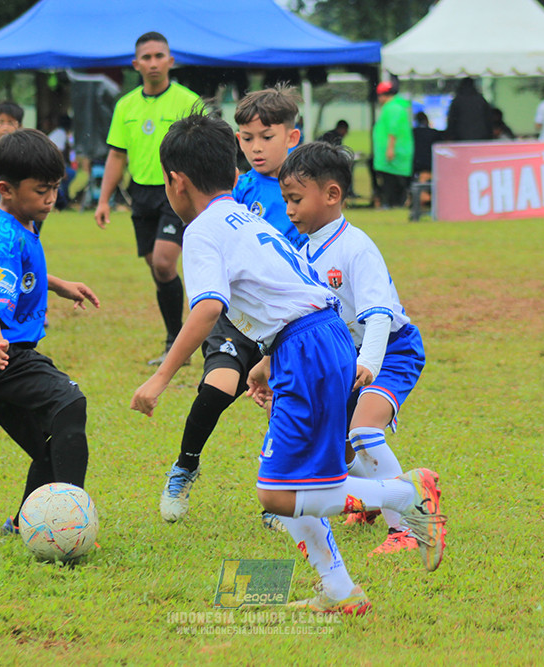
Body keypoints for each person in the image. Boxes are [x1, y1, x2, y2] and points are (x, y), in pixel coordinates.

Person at [131, 113, 446, 613]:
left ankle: (405, 494)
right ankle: (340, 591)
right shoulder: (246, 216)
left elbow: (208, 306)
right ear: (234, 174)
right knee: (297, 482)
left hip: (309, 349)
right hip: (312, 341)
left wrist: (161, 375)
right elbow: (289, 294)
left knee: (277, 496)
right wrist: (265, 363)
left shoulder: (203, 230)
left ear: (175, 181)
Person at [158, 85, 305, 527]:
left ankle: (278, 500)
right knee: (218, 385)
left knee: (281, 404)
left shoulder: (302, 188)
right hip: (233, 315)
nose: (256, 147)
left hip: (281, 319)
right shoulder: (234, 186)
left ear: (291, 138)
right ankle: (184, 467)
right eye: (247, 138)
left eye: (266, 136)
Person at [280, 141, 433, 556]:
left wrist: (368, 364)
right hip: (346, 358)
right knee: (336, 449)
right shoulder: (303, 250)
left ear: (332, 195)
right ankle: (368, 500)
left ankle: (409, 527)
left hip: (390, 351)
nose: (290, 210)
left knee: (364, 431)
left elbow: (380, 315)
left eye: (296, 199)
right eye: (286, 201)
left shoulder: (356, 247)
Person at [0, 128, 100, 535]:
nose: (51, 199)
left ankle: (21, 524)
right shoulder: (4, 236)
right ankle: (69, 526)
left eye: (55, 188)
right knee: (70, 405)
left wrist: (58, 284)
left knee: (52, 441)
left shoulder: (20, 220)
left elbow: (17, 273)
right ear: (6, 189)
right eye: (42, 190)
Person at [94, 32, 201, 365]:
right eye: (147, 57)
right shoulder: (126, 105)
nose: (154, 63)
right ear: (135, 64)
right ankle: (175, 341)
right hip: (140, 193)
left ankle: (181, 340)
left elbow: (207, 148)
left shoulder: (188, 101)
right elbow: (116, 155)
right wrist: (103, 199)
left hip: (178, 190)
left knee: (164, 262)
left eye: (160, 56)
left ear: (171, 61)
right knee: (158, 271)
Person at [372, 81, 414, 209]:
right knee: (391, 178)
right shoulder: (394, 107)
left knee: (392, 179)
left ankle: (394, 203)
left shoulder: (392, 108)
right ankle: (394, 202)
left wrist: (390, 148)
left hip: (394, 151)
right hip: (394, 150)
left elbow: (393, 130)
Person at [409, 111, 442, 220]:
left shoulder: (413, 133)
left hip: (416, 164)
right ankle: (426, 198)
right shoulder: (435, 133)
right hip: (432, 164)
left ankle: (421, 199)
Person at [445, 77, 493, 142]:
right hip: (481, 136)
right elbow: (488, 119)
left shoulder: (458, 100)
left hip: (461, 137)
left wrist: (450, 135)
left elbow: (452, 119)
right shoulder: (481, 100)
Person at [48, 114, 77, 210]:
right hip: (50, 163)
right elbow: (58, 152)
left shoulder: (60, 133)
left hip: (50, 162)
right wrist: (62, 169)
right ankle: (62, 201)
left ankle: (63, 200)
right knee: (69, 175)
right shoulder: (60, 134)